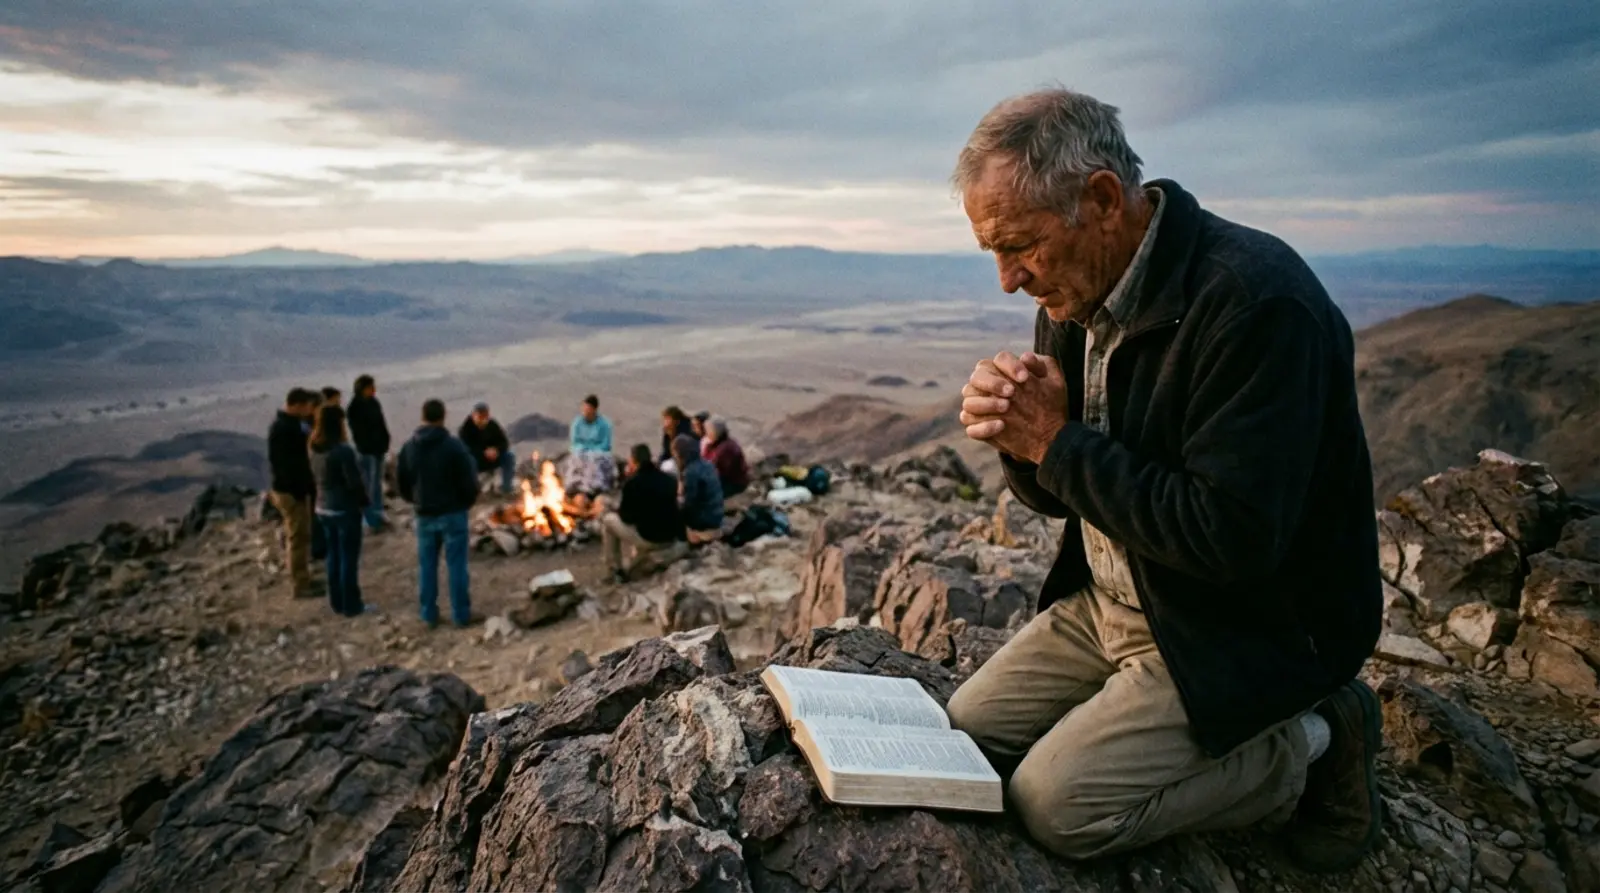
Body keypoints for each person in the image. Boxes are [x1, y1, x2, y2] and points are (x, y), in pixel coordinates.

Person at [945, 89, 1382, 871]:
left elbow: (1232, 540)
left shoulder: (1254, 306)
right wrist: (1025, 438)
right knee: (965, 735)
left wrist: (1055, 441)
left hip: (1242, 622)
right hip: (1119, 598)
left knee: (1054, 806)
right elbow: (1060, 487)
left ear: (1103, 199)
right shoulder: (1077, 288)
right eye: (994, 253)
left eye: (1019, 246)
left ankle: (1319, 740)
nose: (1009, 280)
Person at [398, 398, 482, 629]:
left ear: (423, 417)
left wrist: (415, 501)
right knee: (456, 565)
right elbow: (469, 479)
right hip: (452, 513)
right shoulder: (453, 446)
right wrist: (466, 502)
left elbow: (402, 481)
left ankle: (428, 614)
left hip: (425, 514)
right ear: (443, 417)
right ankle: (461, 615)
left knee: (427, 565)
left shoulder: (409, 447)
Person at [308, 404, 371, 617]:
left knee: (333, 556)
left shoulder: (314, 447)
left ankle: (336, 602)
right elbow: (353, 482)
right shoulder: (342, 451)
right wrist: (364, 501)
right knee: (348, 559)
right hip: (344, 509)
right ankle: (352, 605)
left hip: (323, 508)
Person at [601, 443, 687, 583]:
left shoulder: (633, 483)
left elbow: (626, 518)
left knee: (608, 520)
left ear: (634, 463)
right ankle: (638, 559)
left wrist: (616, 509)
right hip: (670, 535)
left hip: (649, 537)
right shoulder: (668, 479)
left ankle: (614, 570)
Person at [267, 388, 319, 598]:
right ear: (296, 404)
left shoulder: (289, 426)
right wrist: (299, 490)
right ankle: (300, 585)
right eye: (306, 406)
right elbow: (286, 465)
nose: (308, 411)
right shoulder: (283, 429)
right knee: (297, 538)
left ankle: (303, 576)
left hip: (293, 489)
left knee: (302, 536)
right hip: (290, 491)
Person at [346, 374, 391, 531]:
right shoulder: (354, 407)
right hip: (366, 451)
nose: (374, 390)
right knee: (368, 486)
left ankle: (378, 513)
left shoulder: (373, 403)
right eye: (371, 387)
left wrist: (385, 440)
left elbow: (381, 423)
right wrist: (367, 446)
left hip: (378, 449)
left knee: (377, 483)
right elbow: (357, 432)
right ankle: (369, 519)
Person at [564, 394, 618, 499]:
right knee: (577, 459)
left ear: (594, 409)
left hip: (599, 452)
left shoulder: (604, 424)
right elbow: (575, 442)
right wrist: (584, 450)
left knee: (596, 460)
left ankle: (596, 487)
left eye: (588, 409)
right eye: (584, 408)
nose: (585, 411)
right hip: (581, 451)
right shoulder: (577, 423)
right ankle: (575, 485)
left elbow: (606, 444)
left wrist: (593, 451)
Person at [673, 433, 723, 545]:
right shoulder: (707, 464)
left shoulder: (690, 472)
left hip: (705, 521)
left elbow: (689, 503)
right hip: (716, 515)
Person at [458, 401, 514, 494]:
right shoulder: (466, 429)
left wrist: (496, 450)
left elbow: (504, 442)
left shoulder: (492, 425)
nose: (483, 420)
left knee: (509, 456)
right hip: (475, 460)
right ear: (474, 415)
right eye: (480, 416)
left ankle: (506, 488)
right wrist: (483, 452)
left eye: (485, 416)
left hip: (493, 458)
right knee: (470, 461)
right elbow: (465, 448)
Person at [702, 417, 751, 498]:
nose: (707, 434)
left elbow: (719, 473)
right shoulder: (718, 443)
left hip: (733, 484)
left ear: (716, 432)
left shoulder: (725, 449)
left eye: (709, 431)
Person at [658, 406, 694, 471]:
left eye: (667, 419)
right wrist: (659, 463)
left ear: (676, 421)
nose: (665, 422)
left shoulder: (686, 432)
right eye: (664, 419)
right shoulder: (669, 430)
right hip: (674, 460)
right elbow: (666, 452)